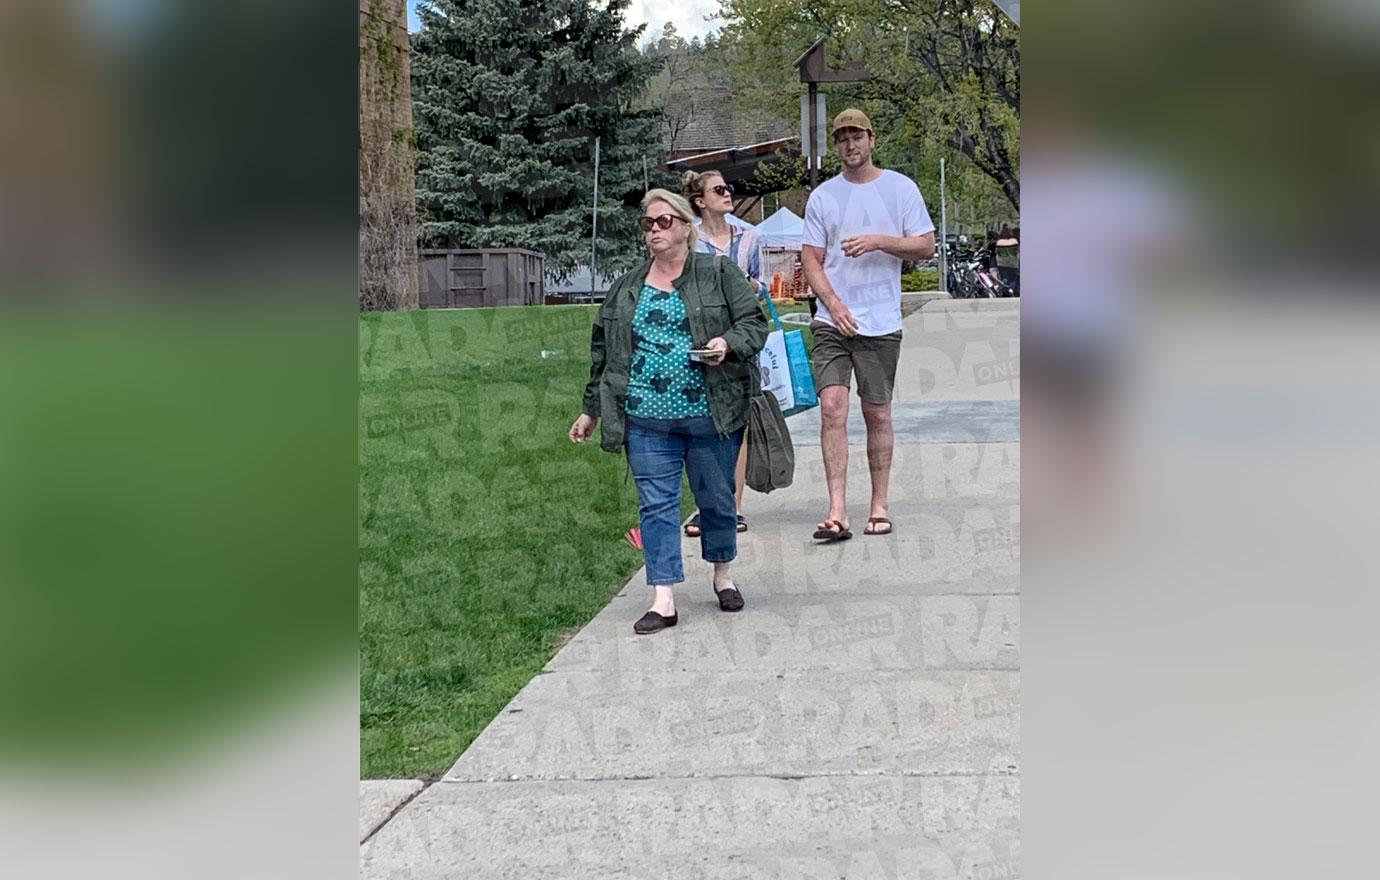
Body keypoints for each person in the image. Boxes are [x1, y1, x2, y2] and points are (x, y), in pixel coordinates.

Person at [569, 188, 768, 634]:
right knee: (656, 504)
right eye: (648, 224)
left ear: (684, 226)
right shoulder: (628, 287)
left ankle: (723, 576)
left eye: (663, 221)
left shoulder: (718, 272)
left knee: (716, 502)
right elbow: (604, 353)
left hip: (711, 413)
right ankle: (663, 599)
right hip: (645, 418)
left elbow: (754, 323)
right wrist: (590, 411)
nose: (655, 230)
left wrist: (726, 344)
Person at [800, 108, 936, 540]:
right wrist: (833, 304)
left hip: (879, 321)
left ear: (872, 139)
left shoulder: (900, 189)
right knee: (831, 407)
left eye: (856, 136)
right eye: (841, 138)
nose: (849, 145)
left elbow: (925, 246)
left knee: (876, 412)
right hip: (831, 321)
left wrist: (879, 240)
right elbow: (810, 259)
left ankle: (879, 504)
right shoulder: (823, 196)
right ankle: (837, 510)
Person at [680, 169, 769, 538]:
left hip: (740, 340)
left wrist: (744, 283)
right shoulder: (689, 239)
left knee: (737, 424)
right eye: (718, 190)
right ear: (700, 201)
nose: (727, 194)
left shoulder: (749, 237)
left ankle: (732, 508)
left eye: (728, 187)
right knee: (701, 424)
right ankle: (706, 507)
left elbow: (762, 288)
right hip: (699, 342)